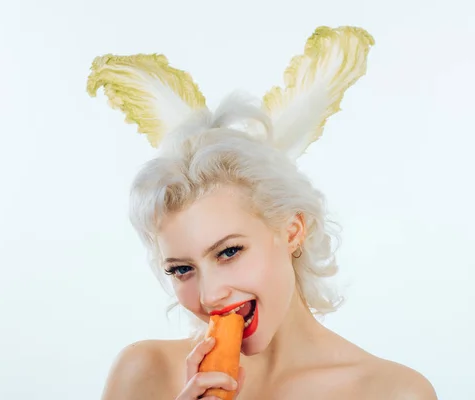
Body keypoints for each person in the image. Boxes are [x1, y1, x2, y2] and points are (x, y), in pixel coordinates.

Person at [87, 26, 437, 400]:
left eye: (228, 252)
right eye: (181, 269)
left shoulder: (392, 392)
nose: (209, 296)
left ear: (291, 229)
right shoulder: (144, 374)